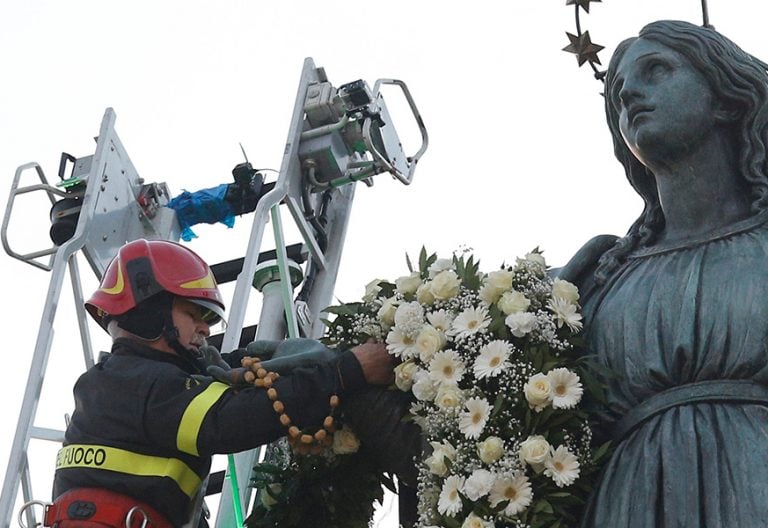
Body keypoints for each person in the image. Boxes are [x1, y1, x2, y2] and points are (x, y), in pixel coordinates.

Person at [558, 19, 768, 527]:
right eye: (620, 91)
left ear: (725, 98)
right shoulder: (597, 276)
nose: (631, 94)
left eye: (657, 71)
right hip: (626, 504)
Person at [49, 238, 394, 527]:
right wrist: (345, 372)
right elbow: (233, 419)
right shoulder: (142, 383)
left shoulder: (119, 380)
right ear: (149, 312)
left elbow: (228, 379)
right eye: (192, 314)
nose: (205, 330)